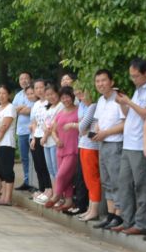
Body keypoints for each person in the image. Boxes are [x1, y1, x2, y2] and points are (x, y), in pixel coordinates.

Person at [114, 58, 146, 236]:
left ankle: (142, 223)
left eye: (136, 76)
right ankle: (127, 220)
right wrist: (124, 104)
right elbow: (130, 114)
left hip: (140, 144)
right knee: (124, 183)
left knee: (142, 185)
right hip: (128, 143)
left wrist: (129, 102)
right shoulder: (138, 90)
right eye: (131, 76)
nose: (133, 79)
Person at [91, 70, 126, 229]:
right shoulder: (101, 100)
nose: (100, 84)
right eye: (97, 81)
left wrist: (106, 133)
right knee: (106, 180)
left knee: (116, 180)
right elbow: (98, 121)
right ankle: (110, 214)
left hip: (115, 144)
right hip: (102, 143)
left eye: (103, 80)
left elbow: (125, 123)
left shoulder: (119, 98)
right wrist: (98, 130)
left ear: (111, 82)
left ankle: (119, 215)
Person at [47, 86, 80, 209]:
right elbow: (53, 130)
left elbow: (83, 126)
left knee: (61, 175)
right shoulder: (60, 113)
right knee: (67, 177)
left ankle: (56, 195)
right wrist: (56, 139)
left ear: (72, 97)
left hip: (73, 149)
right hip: (60, 149)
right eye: (63, 98)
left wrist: (73, 125)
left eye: (67, 97)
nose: (65, 100)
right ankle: (68, 201)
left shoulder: (79, 111)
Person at [75, 84, 103, 220]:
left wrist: (81, 127)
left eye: (83, 94)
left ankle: (94, 210)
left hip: (90, 146)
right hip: (85, 144)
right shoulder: (90, 107)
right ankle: (91, 208)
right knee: (88, 178)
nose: (81, 97)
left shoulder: (93, 106)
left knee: (92, 179)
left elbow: (82, 127)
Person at [0, 84, 17, 205]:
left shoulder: (10, 108)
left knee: (7, 171)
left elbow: (4, 128)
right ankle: (3, 197)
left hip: (6, 143)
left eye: (4, 93)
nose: (1, 95)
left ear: (9, 95)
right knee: (0, 171)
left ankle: (8, 198)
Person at [12, 75, 35, 191]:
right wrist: (22, 109)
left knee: (34, 158)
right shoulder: (18, 95)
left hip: (33, 132)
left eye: (26, 78)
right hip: (21, 131)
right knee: (24, 158)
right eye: (21, 79)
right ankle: (27, 181)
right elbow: (12, 110)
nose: (23, 80)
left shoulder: (34, 92)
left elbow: (31, 110)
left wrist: (20, 109)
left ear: (30, 79)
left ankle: (34, 183)